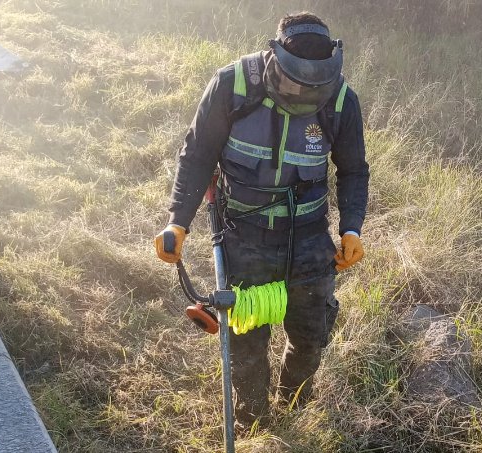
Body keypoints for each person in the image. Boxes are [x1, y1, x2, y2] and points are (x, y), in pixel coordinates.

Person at [152, 11, 369, 426]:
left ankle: (293, 406)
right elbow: (197, 156)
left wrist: (351, 228)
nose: (306, 93)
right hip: (243, 235)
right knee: (246, 343)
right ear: (274, 58)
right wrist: (178, 221)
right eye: (297, 84)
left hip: (309, 240)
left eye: (316, 87)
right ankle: (253, 419)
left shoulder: (341, 101)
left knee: (311, 337)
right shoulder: (232, 85)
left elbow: (354, 170)